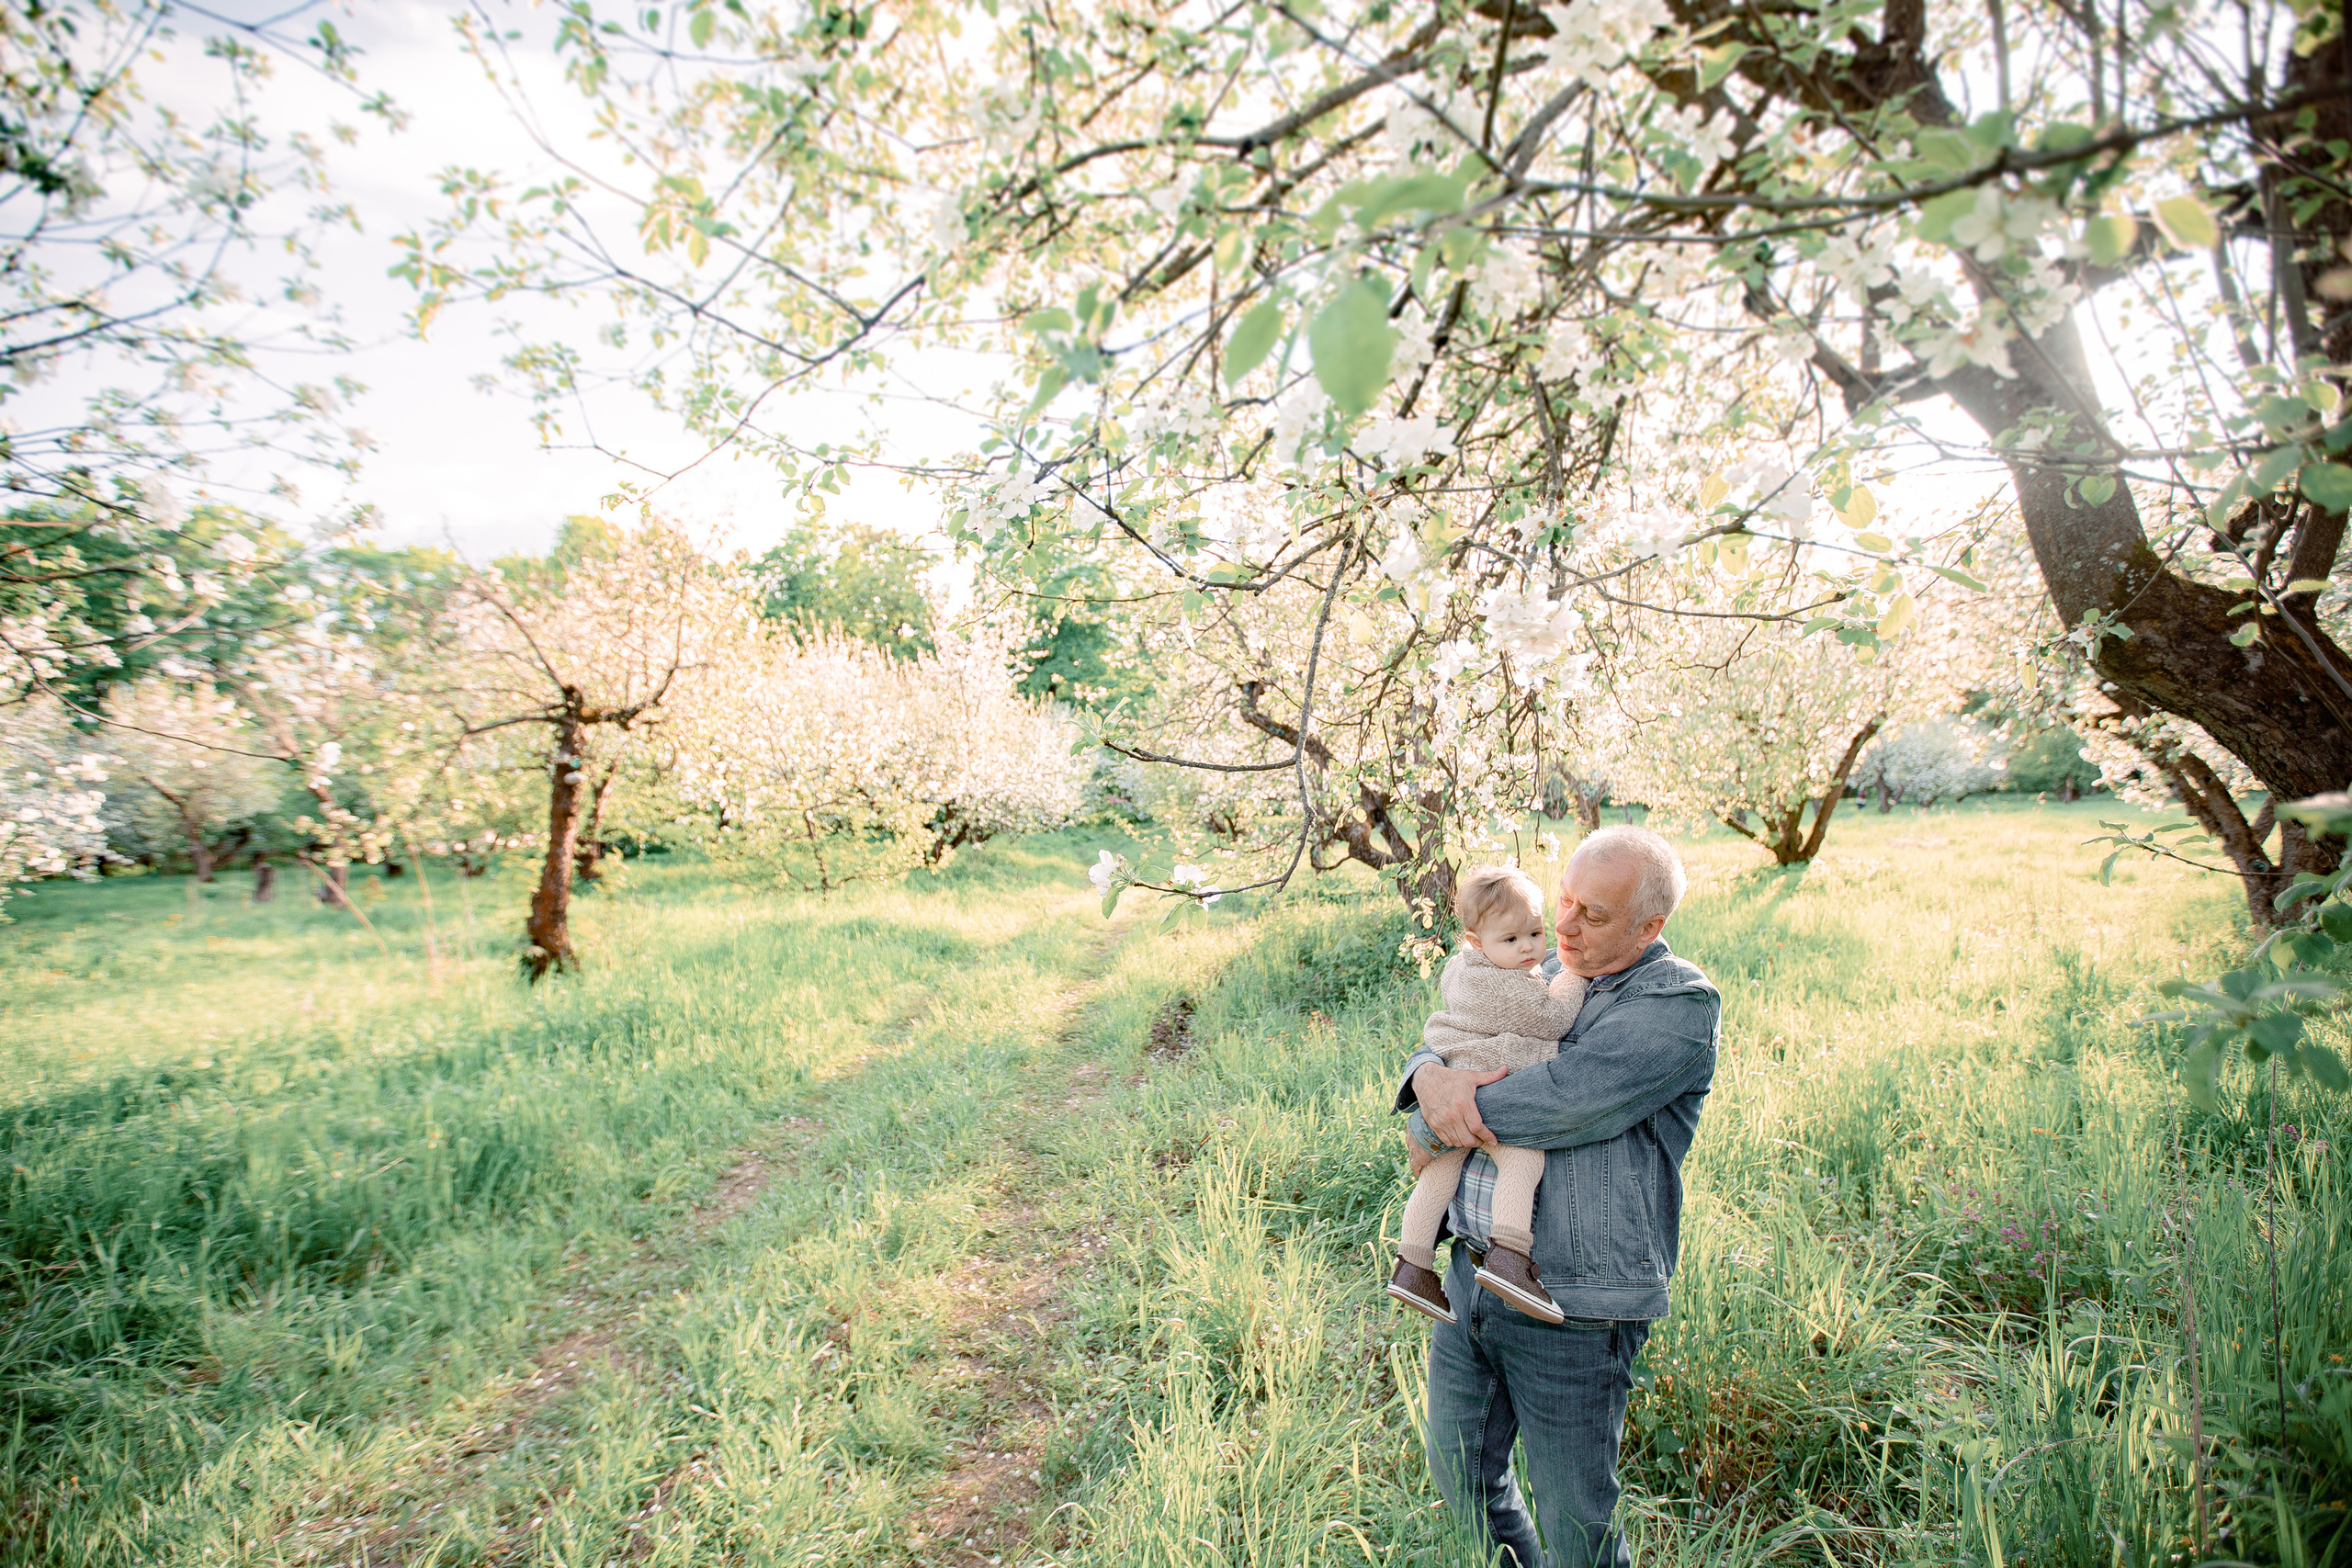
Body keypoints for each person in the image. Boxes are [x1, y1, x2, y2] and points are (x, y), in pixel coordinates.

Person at [1398, 824, 1719, 1568]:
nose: (1565, 925)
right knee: (1464, 1481)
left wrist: (1432, 1117)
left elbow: (1562, 1099)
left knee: (1577, 1524)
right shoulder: (1540, 964)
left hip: (1573, 1301)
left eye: (1592, 915)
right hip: (1472, 1275)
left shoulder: (1676, 1004)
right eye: (1565, 900)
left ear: (1649, 927)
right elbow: (1454, 1030)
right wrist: (1426, 1074)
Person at [1389, 864, 1587, 1326]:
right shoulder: (1507, 983)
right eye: (1511, 939)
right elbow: (1553, 1019)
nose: (1528, 948)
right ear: (1476, 941)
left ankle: (1412, 1265)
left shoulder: (1461, 968)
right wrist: (1573, 976)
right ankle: (1509, 1257)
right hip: (1489, 1081)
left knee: (1438, 1176)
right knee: (1522, 1163)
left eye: (1535, 933)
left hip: (1455, 1071)